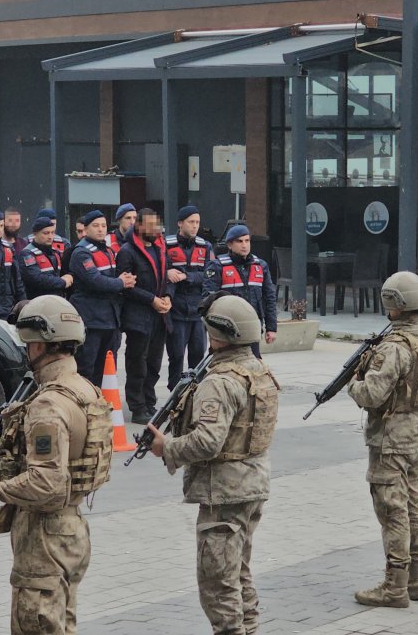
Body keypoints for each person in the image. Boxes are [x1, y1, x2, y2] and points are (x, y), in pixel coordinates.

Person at [0, 295, 112, 635]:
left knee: (36, 626)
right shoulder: (84, 388)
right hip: (69, 531)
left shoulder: (48, 404)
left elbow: (45, 484)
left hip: (45, 537)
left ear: (38, 344)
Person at [145, 293, 279, 635]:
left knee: (217, 582)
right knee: (238, 570)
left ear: (219, 335)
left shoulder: (219, 382)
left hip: (225, 492)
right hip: (253, 483)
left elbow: (207, 441)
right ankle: (249, 628)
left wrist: (167, 447)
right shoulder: (259, 371)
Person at [347, 272, 418, 608]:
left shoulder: (395, 347)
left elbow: (372, 395)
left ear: (394, 304)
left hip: (392, 439)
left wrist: (353, 383)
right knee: (415, 505)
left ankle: (394, 587)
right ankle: (416, 581)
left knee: (392, 510)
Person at [116, 208, 171, 424]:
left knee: (155, 363)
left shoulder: (160, 249)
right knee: (137, 363)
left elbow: (166, 277)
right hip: (139, 317)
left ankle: (149, 402)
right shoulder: (127, 252)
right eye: (149, 225)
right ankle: (137, 407)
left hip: (160, 317)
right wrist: (151, 300)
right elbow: (127, 287)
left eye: (156, 224)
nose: (154, 229)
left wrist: (167, 296)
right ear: (138, 227)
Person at [70, 210, 136, 386]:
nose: (100, 229)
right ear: (85, 229)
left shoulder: (108, 250)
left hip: (110, 318)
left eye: (103, 226)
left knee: (107, 368)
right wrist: (121, 282)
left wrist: (126, 280)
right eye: (95, 226)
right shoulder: (81, 252)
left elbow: (114, 277)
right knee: (87, 368)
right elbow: (95, 281)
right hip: (91, 319)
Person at [204, 225, 277, 358]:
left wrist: (271, 328)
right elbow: (208, 300)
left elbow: (270, 298)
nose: (244, 245)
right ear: (230, 245)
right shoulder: (217, 266)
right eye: (239, 241)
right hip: (227, 331)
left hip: (252, 327)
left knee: (254, 365)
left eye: (247, 240)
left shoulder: (260, 266)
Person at [164, 206, 214, 390]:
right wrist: (167, 272)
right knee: (176, 355)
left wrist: (187, 276)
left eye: (197, 222)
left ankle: (196, 391)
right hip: (176, 310)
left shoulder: (205, 246)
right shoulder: (167, 245)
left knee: (198, 355)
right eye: (191, 222)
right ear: (180, 223)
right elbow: (160, 270)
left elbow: (209, 275)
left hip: (197, 310)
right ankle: (174, 392)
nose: (195, 226)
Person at [21, 216, 73, 300]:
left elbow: (62, 272)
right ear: (35, 234)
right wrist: (62, 282)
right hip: (38, 301)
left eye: (52, 232)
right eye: (46, 233)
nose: (50, 236)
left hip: (56, 299)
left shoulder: (55, 252)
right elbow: (37, 279)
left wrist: (69, 276)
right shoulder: (27, 253)